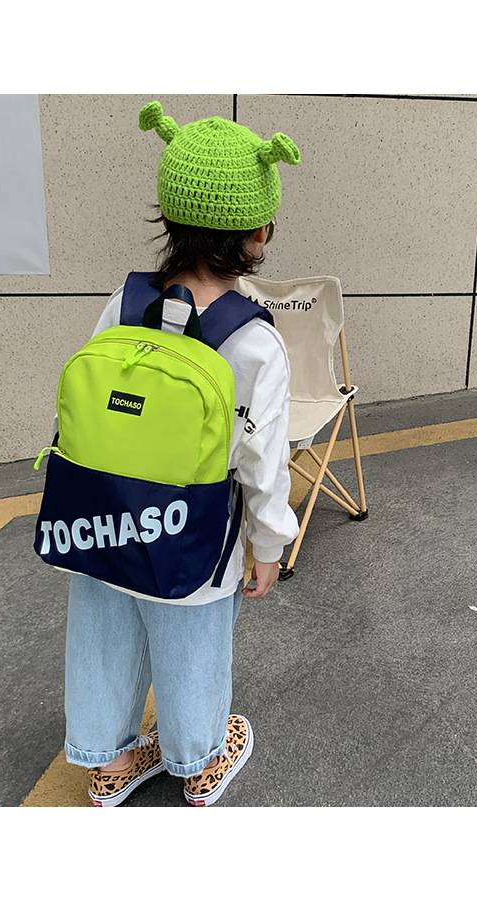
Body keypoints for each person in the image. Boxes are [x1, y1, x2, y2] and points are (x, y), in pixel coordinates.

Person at [62, 101, 301, 807]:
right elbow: (262, 460)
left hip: (102, 518)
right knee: (193, 637)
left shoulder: (125, 301)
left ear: (168, 217)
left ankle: (107, 762)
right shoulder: (253, 340)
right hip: (191, 533)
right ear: (258, 233)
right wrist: (269, 543)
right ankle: (197, 760)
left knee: (103, 635)